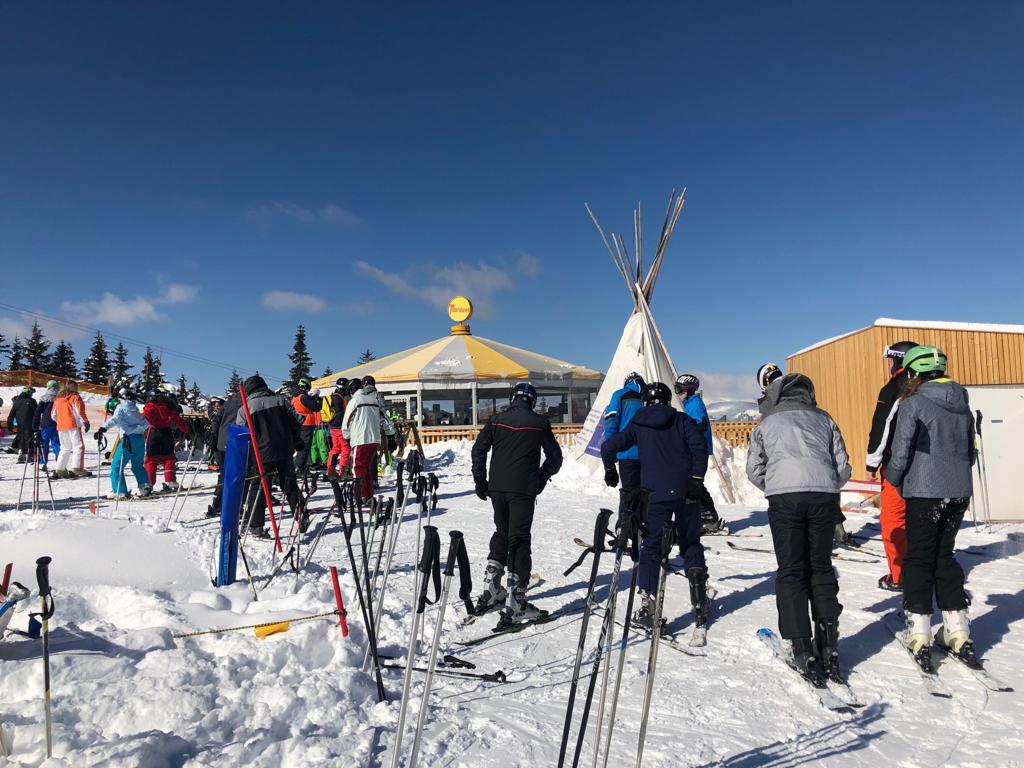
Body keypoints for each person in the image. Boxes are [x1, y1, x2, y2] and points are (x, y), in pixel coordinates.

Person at [746, 372, 851, 683]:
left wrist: (775, 485)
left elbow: (754, 469)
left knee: (791, 570)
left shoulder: (767, 423)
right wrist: (827, 485)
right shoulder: (824, 418)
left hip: (785, 498)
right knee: (821, 567)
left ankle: (801, 647)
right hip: (823, 496)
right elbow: (842, 466)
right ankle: (829, 645)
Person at [885, 345, 977, 668]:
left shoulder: (913, 403)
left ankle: (919, 631)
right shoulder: (962, 404)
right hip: (958, 492)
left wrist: (894, 479)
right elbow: (970, 452)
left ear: (914, 373)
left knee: (919, 558)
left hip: (925, 491)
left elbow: (900, 452)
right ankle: (957, 630)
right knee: (944, 556)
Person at [602, 381, 710, 630]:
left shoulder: (639, 423)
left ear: (645, 401)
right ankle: (699, 597)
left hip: (656, 494)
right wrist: (697, 478)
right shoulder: (681, 420)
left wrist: (610, 469)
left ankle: (647, 605)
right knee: (690, 542)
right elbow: (699, 447)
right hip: (686, 490)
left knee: (651, 546)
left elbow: (609, 446)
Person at [472, 382, 563, 622]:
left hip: (498, 487)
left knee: (502, 533)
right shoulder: (539, 423)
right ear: (532, 400)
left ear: (513, 398)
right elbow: (555, 459)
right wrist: (539, 480)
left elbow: (478, 450)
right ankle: (517, 600)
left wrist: (480, 481)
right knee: (519, 539)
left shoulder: (496, 420)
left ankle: (491, 588)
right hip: (523, 489)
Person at [865, 340, 919, 592]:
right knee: (922, 521)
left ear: (899, 360)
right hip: (929, 469)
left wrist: (871, 464)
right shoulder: (931, 388)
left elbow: (881, 428)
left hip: (897, 467)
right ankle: (926, 572)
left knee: (894, 521)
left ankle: (899, 576)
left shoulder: (894, 389)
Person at [234, 375, 304, 538]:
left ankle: (256, 526)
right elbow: (296, 422)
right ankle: (301, 515)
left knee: (258, 489)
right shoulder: (280, 401)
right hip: (285, 450)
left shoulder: (245, 409)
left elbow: (241, 436)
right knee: (289, 484)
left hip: (261, 455)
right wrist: (297, 440)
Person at [675, 373, 723, 534]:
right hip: (694, 449)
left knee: (694, 484)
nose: (677, 393)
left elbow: (698, 425)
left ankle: (708, 517)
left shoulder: (694, 404)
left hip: (696, 451)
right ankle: (706, 516)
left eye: (679, 389)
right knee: (693, 483)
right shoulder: (690, 403)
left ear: (688, 389)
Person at [342, 376, 395, 502]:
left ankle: (359, 496)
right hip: (374, 439)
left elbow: (347, 422)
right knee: (366, 468)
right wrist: (390, 434)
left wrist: (347, 437)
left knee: (357, 468)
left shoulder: (354, 401)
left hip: (360, 439)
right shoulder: (373, 400)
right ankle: (368, 495)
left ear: (352, 390)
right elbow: (384, 418)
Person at [95, 388, 152, 498]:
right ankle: (145, 486)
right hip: (139, 439)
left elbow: (115, 419)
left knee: (116, 466)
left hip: (127, 440)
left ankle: (120, 491)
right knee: (137, 465)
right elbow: (146, 424)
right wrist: (137, 429)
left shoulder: (120, 407)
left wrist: (103, 428)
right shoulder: (134, 409)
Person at [602, 372, 645, 492]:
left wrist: (610, 452)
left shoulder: (620, 395)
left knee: (630, 495)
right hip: (648, 454)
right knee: (648, 495)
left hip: (626, 452)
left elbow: (611, 423)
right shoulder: (649, 396)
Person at [206, 389, 243, 518]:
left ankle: (216, 504)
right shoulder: (246, 404)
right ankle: (235, 505)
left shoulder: (227, 403)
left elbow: (216, 421)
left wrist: (214, 438)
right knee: (238, 475)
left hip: (220, 444)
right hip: (236, 443)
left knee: (224, 474)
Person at [143, 392, 189, 492]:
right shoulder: (169, 406)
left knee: (151, 459)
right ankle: (170, 480)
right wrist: (185, 429)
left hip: (153, 432)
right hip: (167, 432)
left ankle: (149, 483)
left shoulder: (150, 406)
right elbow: (177, 419)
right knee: (168, 457)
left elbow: (144, 417)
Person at [52, 380, 92, 478]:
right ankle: (77, 468)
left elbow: (53, 415)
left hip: (61, 426)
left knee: (65, 448)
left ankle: (60, 469)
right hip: (73, 425)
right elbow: (80, 411)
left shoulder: (58, 399)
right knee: (78, 447)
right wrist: (86, 422)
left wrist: (61, 421)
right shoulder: (75, 397)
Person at [291, 378, 322, 477]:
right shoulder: (304, 397)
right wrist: (317, 400)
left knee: (304, 447)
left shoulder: (294, 397)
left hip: (298, 423)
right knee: (304, 447)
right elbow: (316, 407)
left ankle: (304, 467)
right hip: (307, 423)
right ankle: (299, 467)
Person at [325, 377, 352, 478]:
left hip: (333, 427)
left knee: (335, 448)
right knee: (346, 449)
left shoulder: (334, 396)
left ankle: (330, 470)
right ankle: (343, 471)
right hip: (340, 427)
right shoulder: (339, 398)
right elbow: (340, 413)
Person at [32, 381, 61, 468]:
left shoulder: (44, 398)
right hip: (57, 423)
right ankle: (60, 463)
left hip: (45, 423)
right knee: (56, 443)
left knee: (44, 443)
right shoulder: (60, 398)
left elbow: (37, 413)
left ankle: (42, 462)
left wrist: (35, 425)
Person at [7, 386, 38, 464]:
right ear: (28, 393)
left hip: (20, 425)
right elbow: (36, 413)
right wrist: (38, 423)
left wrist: (10, 425)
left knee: (22, 439)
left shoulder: (17, 402)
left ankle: (21, 456)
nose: (32, 395)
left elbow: (11, 415)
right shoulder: (32, 401)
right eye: (31, 393)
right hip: (30, 424)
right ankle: (30, 456)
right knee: (29, 439)